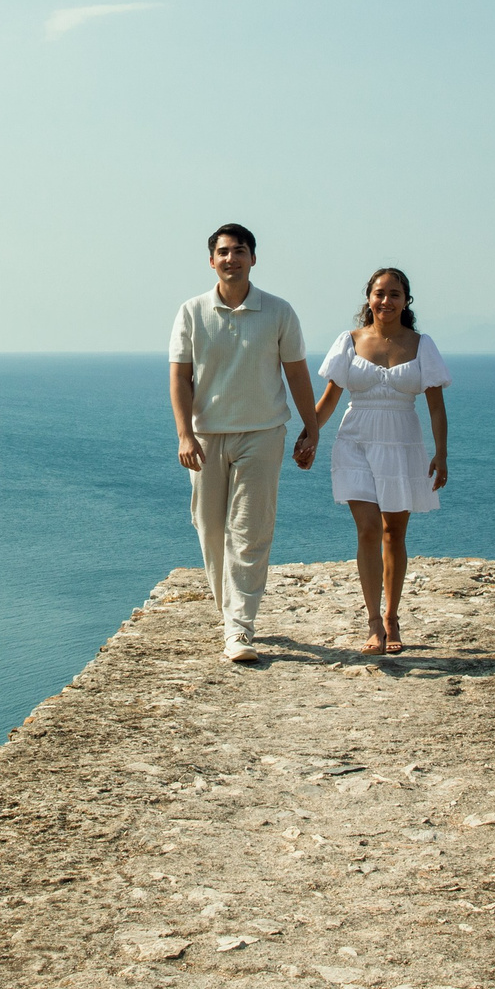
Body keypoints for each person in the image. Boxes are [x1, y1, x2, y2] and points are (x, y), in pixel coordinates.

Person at [169, 223, 322, 664]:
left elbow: (296, 372)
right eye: (223, 252)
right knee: (209, 527)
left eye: (240, 251)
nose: (231, 258)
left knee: (250, 531)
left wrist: (311, 429)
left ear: (253, 258)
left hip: (263, 432)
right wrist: (184, 434)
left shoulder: (278, 312)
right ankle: (228, 610)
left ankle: (239, 628)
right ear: (211, 260)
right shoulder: (192, 311)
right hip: (206, 435)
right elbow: (181, 376)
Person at [313, 267, 450, 654]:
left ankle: (392, 617)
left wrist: (441, 454)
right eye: (379, 293)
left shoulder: (422, 345)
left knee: (394, 532)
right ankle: (374, 622)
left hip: (402, 442)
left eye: (394, 294)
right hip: (355, 439)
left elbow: (436, 408)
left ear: (406, 300)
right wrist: (310, 433)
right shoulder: (350, 341)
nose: (386, 301)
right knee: (369, 529)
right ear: (368, 298)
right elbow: (329, 400)